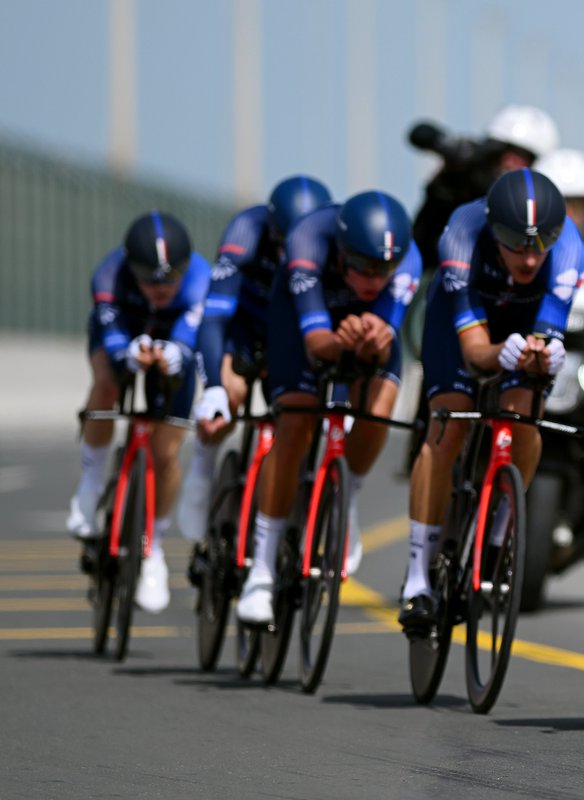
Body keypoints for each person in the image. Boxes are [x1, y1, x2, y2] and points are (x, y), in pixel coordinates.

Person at [398, 168, 584, 628]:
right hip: (461, 323)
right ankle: (418, 576)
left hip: (522, 318)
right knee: (448, 428)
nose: (529, 258)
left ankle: (499, 532)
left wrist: (545, 353)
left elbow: (545, 337)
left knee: (524, 417)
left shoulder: (568, 251)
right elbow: (475, 352)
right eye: (516, 245)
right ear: (494, 228)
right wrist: (499, 352)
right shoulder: (461, 234)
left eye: (539, 246)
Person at [235, 191, 422, 624]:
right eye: (363, 266)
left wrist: (374, 336)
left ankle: (345, 500)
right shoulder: (306, 241)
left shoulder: (407, 260)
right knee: (295, 428)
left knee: (379, 409)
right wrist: (340, 340)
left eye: (384, 270)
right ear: (341, 252)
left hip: (363, 325)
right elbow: (318, 344)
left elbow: (384, 341)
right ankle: (261, 571)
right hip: (304, 321)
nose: (374, 278)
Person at [175, 175, 332, 546]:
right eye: (284, 246)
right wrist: (215, 386)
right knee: (229, 397)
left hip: (295, 330)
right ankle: (202, 471)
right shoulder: (246, 231)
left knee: (301, 420)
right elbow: (214, 316)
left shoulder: (329, 244)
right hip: (248, 326)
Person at [68, 211, 212, 613]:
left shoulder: (201, 279)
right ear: (132, 269)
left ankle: (153, 545)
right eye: (149, 279)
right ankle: (90, 487)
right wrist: (125, 353)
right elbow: (110, 331)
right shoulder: (109, 274)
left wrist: (175, 354)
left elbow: (191, 337)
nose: (160, 288)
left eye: (170, 279)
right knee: (106, 384)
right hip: (124, 331)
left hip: (173, 342)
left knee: (165, 453)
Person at [409, 105, 560, 273]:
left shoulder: (543, 217)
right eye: (504, 153)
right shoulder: (465, 177)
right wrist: (451, 177)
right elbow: (422, 239)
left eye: (521, 158)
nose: (509, 163)